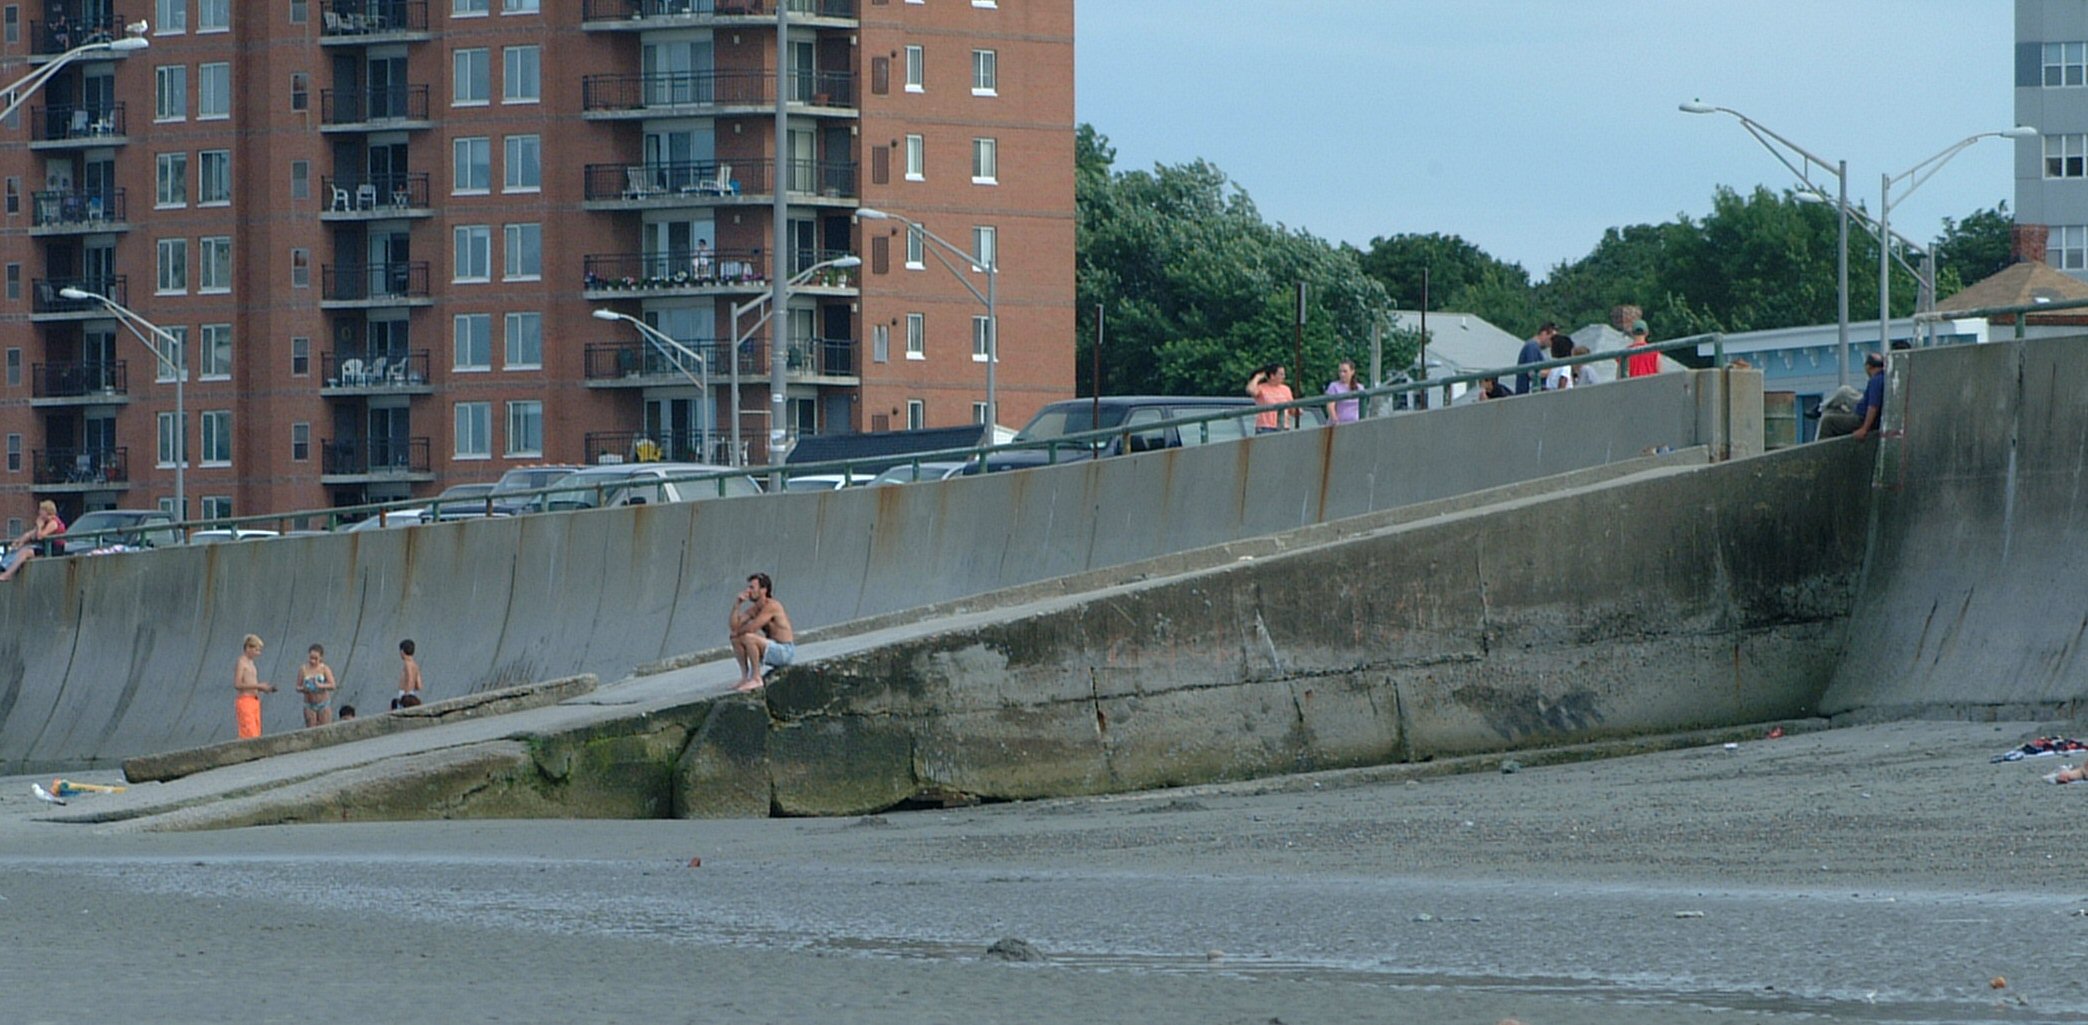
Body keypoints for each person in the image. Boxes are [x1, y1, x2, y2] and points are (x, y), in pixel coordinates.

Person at [729, 572, 795, 692]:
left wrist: (738, 632)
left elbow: (752, 628)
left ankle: (756, 678)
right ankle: (745, 677)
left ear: (763, 590)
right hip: (771, 648)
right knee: (735, 639)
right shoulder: (754, 609)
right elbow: (734, 627)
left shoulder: (772, 606)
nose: (748, 591)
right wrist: (737, 605)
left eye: (752, 587)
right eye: (748, 587)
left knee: (749, 637)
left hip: (785, 651)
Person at [1, 500, 66, 582]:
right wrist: (20, 541)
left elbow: (40, 536)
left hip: (54, 549)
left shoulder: (53, 522)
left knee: (26, 552)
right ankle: (4, 566)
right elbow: (31, 534)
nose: (39, 512)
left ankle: (8, 574)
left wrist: (39, 526)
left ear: (47, 511)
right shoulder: (44, 521)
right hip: (44, 546)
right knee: (18, 550)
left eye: (41, 510)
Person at [233, 634, 278, 740]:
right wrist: (258, 685)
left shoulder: (251, 663)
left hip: (254, 701)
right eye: (256, 650)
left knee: (256, 733)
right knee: (249, 733)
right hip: (245, 700)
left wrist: (264, 688)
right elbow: (237, 684)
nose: (258, 653)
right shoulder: (241, 662)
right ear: (248, 648)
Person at [297, 644, 339, 728]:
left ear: (321, 658)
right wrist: (304, 689)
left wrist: (320, 685)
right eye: (311, 658)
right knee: (311, 728)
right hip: (309, 704)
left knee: (325, 728)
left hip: (323, 703)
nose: (313, 661)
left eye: (315, 659)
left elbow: (333, 685)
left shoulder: (324, 668)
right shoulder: (303, 669)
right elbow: (298, 686)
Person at [1245, 364, 1295, 433]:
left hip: (1283, 427)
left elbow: (1291, 408)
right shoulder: (1261, 388)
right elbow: (1250, 390)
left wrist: (1297, 410)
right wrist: (1257, 377)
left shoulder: (1286, 389)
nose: (1284, 377)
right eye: (1281, 374)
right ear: (1272, 376)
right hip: (1265, 427)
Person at [1851, 351, 1887, 440]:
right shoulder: (1883, 377)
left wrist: (1864, 429)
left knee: (1828, 421)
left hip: (1862, 419)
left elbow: (1873, 406)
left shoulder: (1875, 381)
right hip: (1862, 412)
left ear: (1868, 366)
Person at [1516, 323, 1556, 395]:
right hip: (1527, 393)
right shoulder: (1532, 346)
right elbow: (1531, 373)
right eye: (1551, 338)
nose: (1552, 342)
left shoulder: (1536, 347)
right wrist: (1553, 371)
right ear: (1544, 333)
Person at [1322, 360, 1363, 424]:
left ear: (1352, 372)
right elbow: (1330, 406)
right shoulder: (1333, 386)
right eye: (1340, 371)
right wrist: (1335, 422)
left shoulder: (1360, 387)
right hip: (1339, 424)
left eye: (1345, 371)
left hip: (1355, 423)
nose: (1342, 374)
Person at [391, 638, 423, 710]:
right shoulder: (415, 666)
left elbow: (410, 678)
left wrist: (406, 694)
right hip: (412, 694)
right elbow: (419, 686)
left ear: (402, 651)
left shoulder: (407, 664)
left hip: (405, 695)